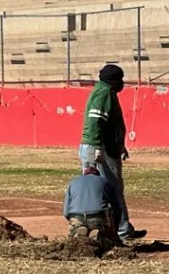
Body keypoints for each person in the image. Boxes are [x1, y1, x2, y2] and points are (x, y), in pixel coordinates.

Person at [79, 63, 146, 240]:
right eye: (120, 79)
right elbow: (95, 122)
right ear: (113, 81)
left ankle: (110, 229)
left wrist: (120, 145)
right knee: (111, 189)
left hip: (103, 148)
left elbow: (109, 125)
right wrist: (97, 148)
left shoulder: (104, 92)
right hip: (101, 150)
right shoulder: (104, 93)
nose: (122, 83)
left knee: (102, 189)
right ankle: (121, 230)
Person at [63, 163, 120, 246]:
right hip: (97, 217)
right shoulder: (105, 182)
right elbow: (117, 207)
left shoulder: (73, 182)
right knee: (107, 237)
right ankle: (98, 233)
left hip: (76, 217)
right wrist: (115, 227)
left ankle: (77, 230)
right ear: (98, 175)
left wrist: (72, 220)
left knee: (74, 230)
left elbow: (65, 211)